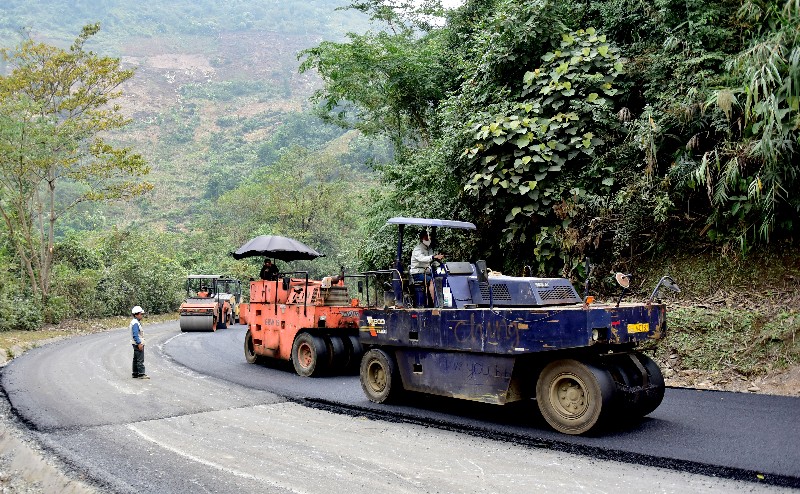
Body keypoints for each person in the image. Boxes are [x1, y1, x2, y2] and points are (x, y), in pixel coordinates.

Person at [410, 231, 444, 305]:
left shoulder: (429, 249)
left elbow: (432, 261)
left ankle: (443, 301)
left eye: (429, 238)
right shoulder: (418, 249)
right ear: (422, 239)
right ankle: (436, 304)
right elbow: (422, 258)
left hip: (427, 272)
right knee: (432, 281)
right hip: (417, 273)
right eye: (426, 238)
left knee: (441, 277)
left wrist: (440, 264)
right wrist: (433, 257)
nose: (429, 239)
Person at [130, 306, 149, 379]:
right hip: (138, 343)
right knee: (140, 359)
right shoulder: (135, 323)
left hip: (135, 343)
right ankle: (141, 374)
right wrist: (139, 343)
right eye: (141, 314)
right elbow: (135, 335)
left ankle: (135, 373)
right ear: (136, 314)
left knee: (135, 359)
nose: (142, 316)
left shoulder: (134, 322)